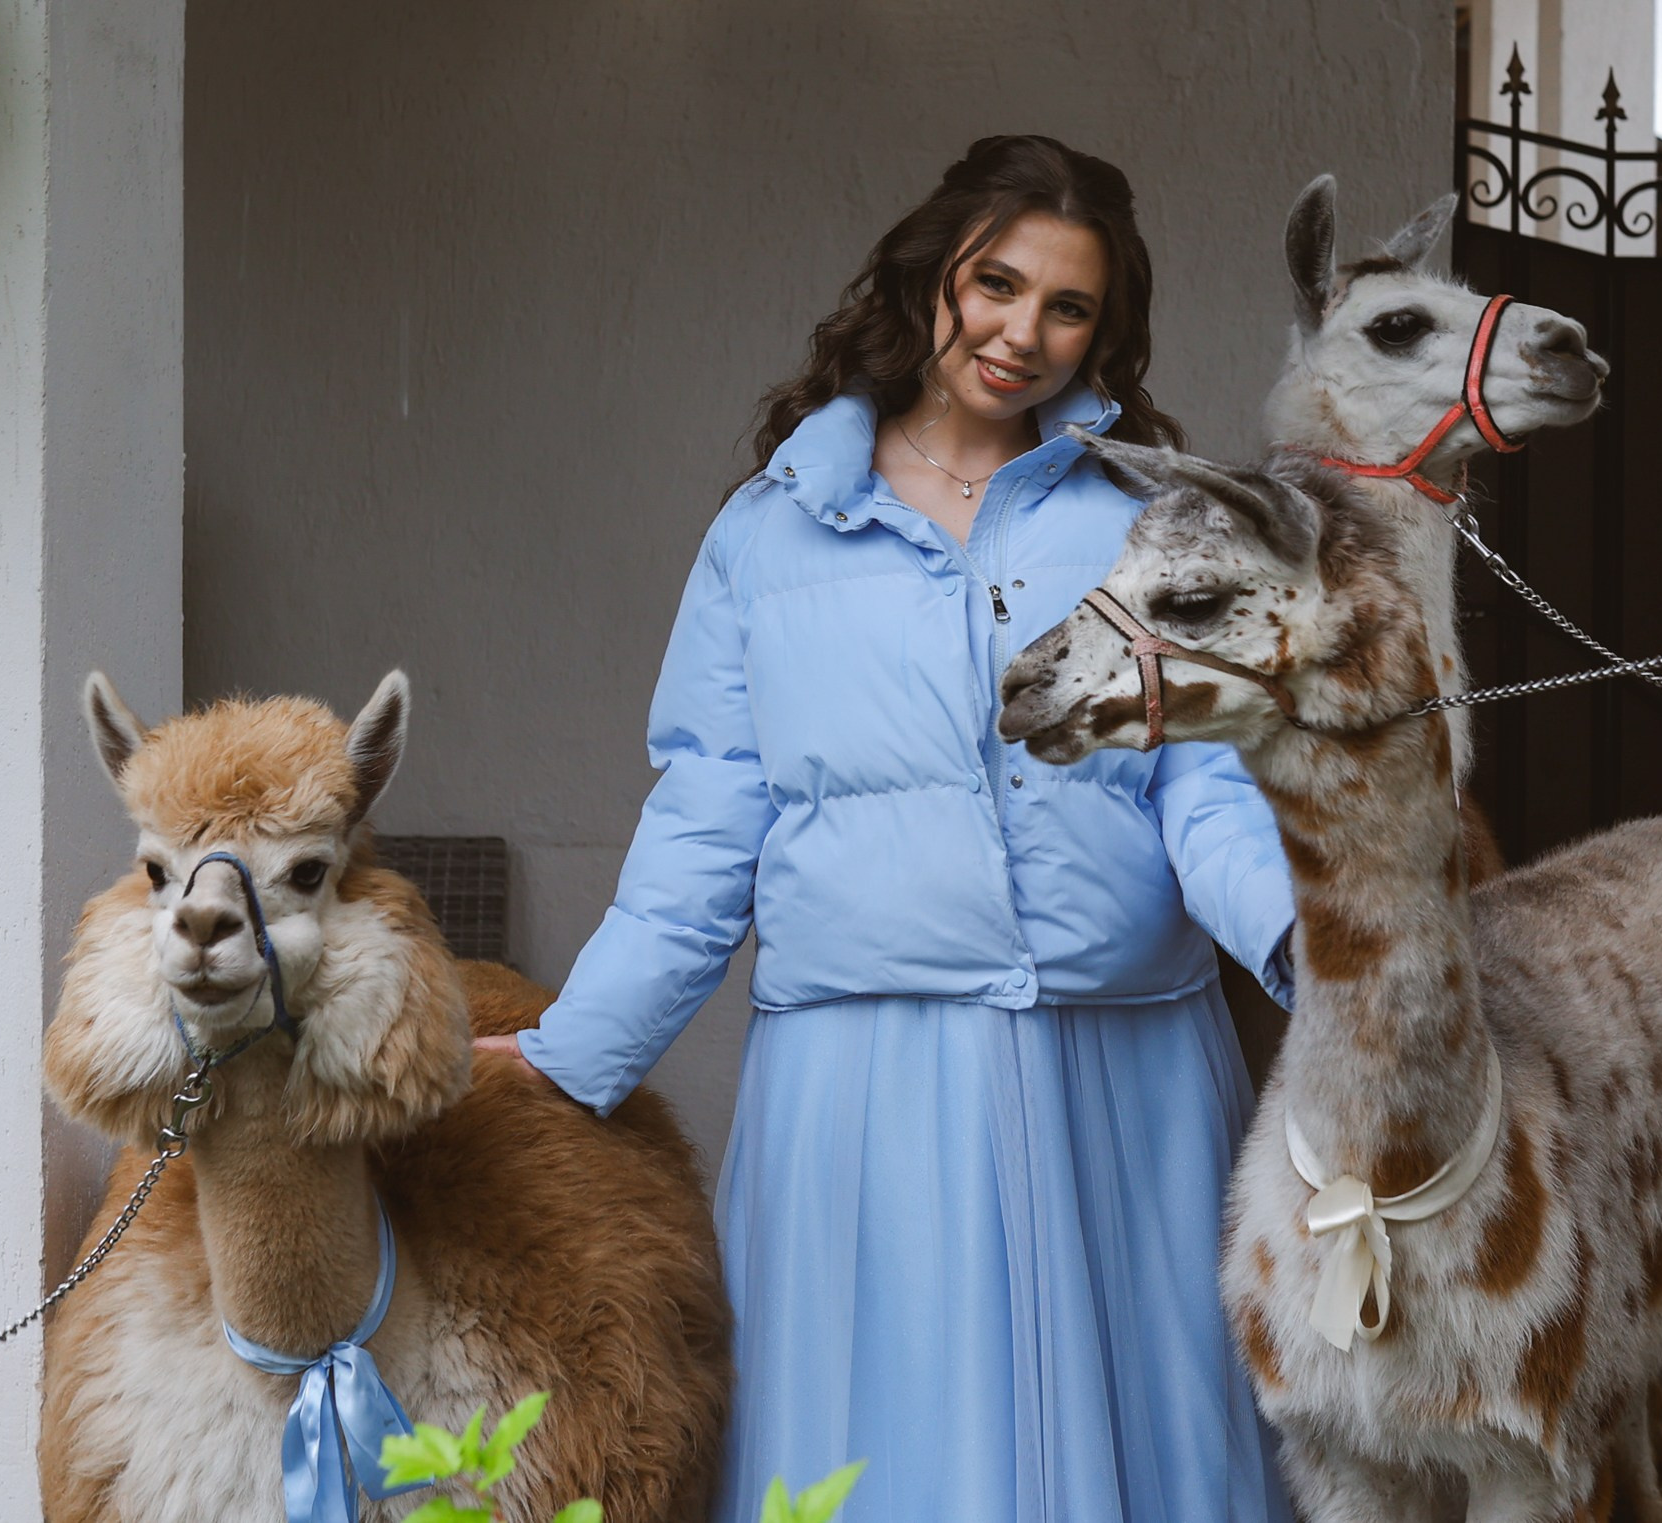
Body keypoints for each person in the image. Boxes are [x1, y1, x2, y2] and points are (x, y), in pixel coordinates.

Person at [478, 134, 1296, 1523]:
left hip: (1129, 1079)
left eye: (1067, 307)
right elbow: (704, 821)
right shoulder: (770, 532)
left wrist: (1325, 953)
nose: (1019, 333)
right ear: (931, 278)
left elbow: (1206, 789)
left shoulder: (1157, 525)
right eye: (996, 283)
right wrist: (574, 1055)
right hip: (863, 1084)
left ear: (1106, 332)